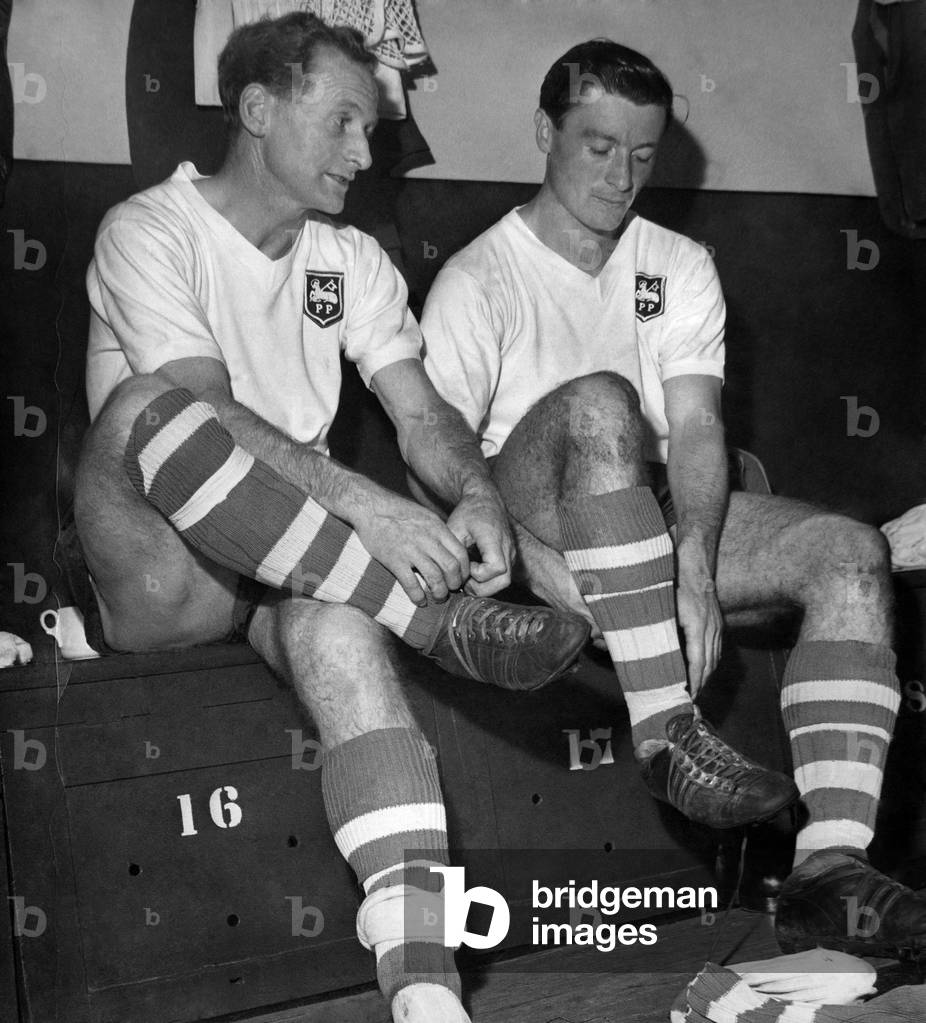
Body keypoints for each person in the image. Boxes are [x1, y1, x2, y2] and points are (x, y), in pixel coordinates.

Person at [76, 14, 590, 1023]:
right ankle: (436, 624)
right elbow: (205, 409)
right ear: (259, 112)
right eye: (343, 120)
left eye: (374, 128)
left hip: (288, 570)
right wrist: (374, 511)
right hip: (161, 576)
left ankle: (425, 988)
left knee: (346, 635)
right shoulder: (148, 228)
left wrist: (475, 493)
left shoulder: (345, 259)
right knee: (150, 406)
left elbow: (421, 412)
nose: (365, 151)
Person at [419, 38, 926, 958]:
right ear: (545, 132)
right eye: (598, 146)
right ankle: (669, 736)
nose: (622, 176)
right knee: (602, 400)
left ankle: (829, 867)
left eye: (643, 155)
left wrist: (690, 555)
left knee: (853, 552)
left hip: (643, 510)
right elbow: (443, 467)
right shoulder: (476, 278)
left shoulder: (678, 263)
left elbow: (694, 431)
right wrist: (539, 573)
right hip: (529, 508)